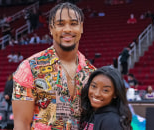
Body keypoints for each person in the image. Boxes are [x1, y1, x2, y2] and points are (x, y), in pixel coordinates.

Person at [12, 2, 96, 130]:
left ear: (81, 28)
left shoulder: (92, 73)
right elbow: (21, 123)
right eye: (60, 24)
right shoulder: (29, 68)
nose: (67, 29)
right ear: (51, 28)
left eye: (73, 24)